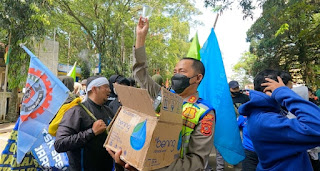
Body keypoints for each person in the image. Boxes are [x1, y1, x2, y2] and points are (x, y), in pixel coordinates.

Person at [107, 17, 215, 171]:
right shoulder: (162, 96)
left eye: (182, 72)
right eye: (174, 72)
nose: (176, 75)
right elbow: (140, 73)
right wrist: (140, 38)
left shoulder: (204, 113)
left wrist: (155, 167)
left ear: (198, 78)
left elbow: (197, 162)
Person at [238, 69, 320, 171]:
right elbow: (317, 126)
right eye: (288, 90)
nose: (290, 93)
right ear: (270, 91)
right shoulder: (265, 120)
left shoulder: (265, 113)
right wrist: (282, 92)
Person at [54, 76, 114, 171]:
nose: (109, 90)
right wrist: (92, 132)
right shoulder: (77, 111)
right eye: (106, 87)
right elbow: (59, 144)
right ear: (94, 89)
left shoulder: (109, 111)